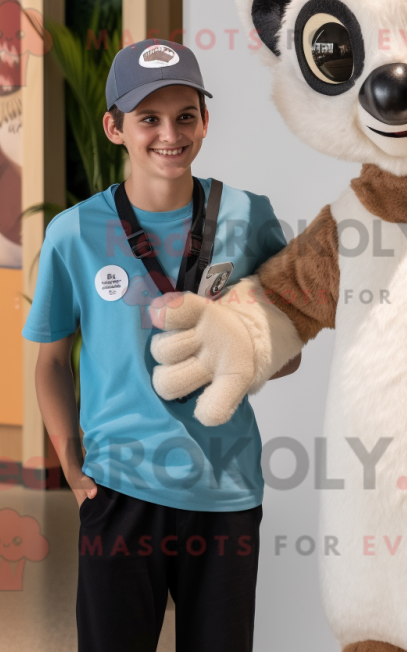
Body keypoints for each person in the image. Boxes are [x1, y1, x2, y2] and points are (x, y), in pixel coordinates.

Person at [22, 38, 300, 652]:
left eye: (185, 116)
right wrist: (71, 465)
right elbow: (50, 362)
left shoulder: (248, 216)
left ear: (205, 122)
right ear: (115, 127)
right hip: (118, 491)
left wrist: (243, 349)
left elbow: (291, 348)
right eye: (148, 118)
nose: (168, 134)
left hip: (225, 491)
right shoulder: (73, 233)